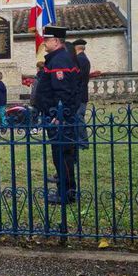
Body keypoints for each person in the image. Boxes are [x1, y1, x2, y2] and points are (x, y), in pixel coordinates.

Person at [35, 26, 80, 204]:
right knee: (61, 154)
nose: (44, 43)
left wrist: (58, 115)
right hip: (56, 115)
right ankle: (65, 188)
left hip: (58, 118)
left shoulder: (60, 60)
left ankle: (66, 193)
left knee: (62, 155)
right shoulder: (58, 58)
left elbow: (63, 91)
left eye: (47, 40)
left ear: (56, 41)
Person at [74, 39, 91, 148]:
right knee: (78, 117)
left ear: (76, 48)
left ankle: (83, 142)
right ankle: (80, 141)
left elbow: (77, 77)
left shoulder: (80, 59)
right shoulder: (84, 59)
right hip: (82, 92)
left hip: (79, 93)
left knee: (79, 118)